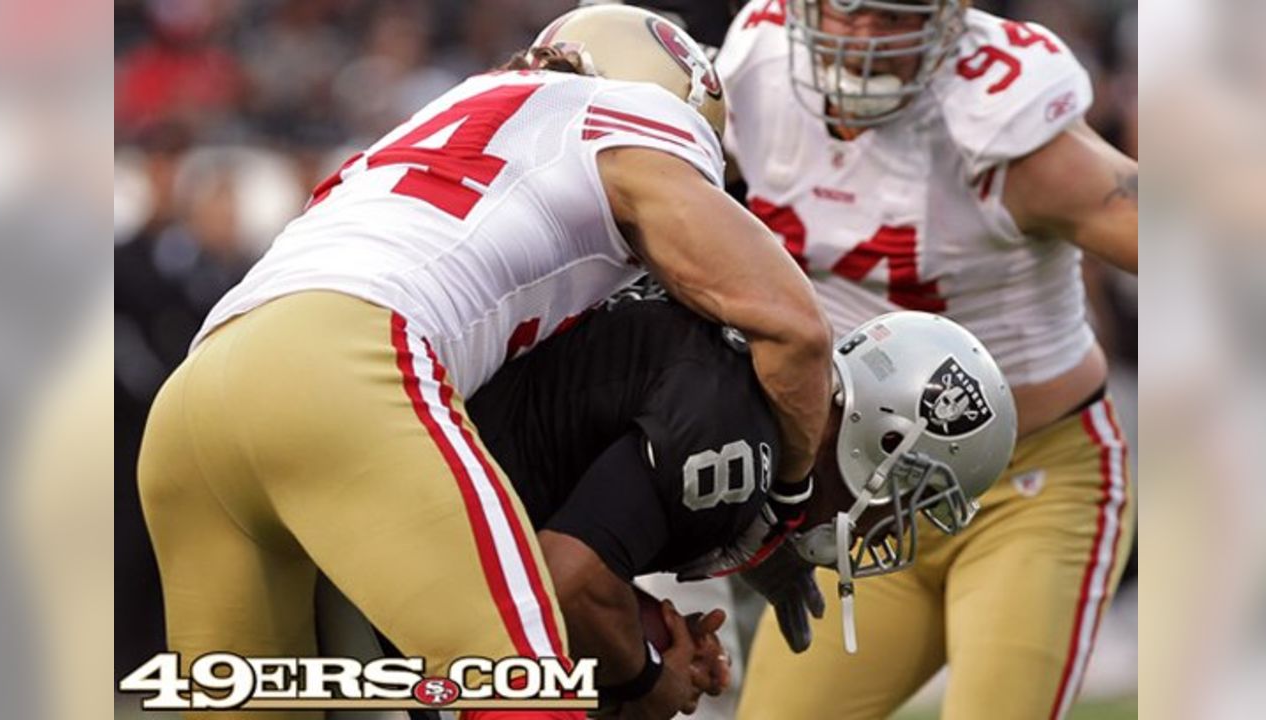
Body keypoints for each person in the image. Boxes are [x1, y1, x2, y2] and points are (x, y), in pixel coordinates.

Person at [134, 6, 835, 720]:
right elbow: (793, 327)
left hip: (195, 398)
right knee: (524, 702)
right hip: (348, 361)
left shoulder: (445, 112)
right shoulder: (630, 118)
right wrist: (782, 509)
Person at [716, 2, 1139, 719]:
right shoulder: (755, 69)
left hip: (1029, 486)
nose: (863, 39)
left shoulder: (1005, 129)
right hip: (861, 493)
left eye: (889, 16)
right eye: (844, 11)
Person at [458, 282, 1016, 717]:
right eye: (909, 500)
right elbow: (572, 583)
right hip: (429, 499)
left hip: (451, 482)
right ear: (884, 441)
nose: (894, 529)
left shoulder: (752, 406)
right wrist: (646, 681)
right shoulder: (739, 446)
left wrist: (648, 628)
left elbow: (562, 534)